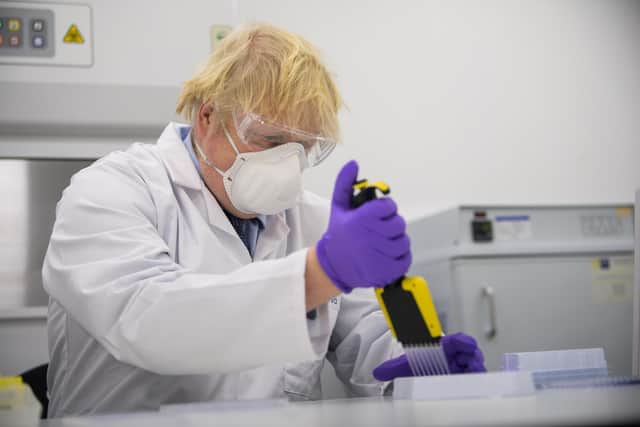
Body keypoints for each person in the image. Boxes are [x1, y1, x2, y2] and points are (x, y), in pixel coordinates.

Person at [42, 23, 485, 417]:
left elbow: (365, 333)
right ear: (208, 117)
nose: (286, 162)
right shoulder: (110, 190)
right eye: (270, 139)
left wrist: (417, 369)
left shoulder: (311, 218)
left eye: (303, 147)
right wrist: (318, 273)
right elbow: (145, 318)